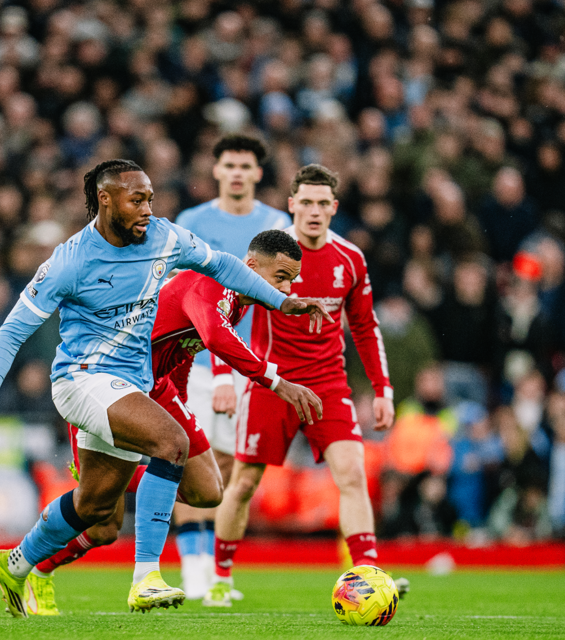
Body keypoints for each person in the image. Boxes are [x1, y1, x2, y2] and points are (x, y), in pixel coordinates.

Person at [0, 160, 330, 616]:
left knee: (96, 510)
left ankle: (16, 564)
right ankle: (146, 578)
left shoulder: (164, 237)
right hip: (82, 379)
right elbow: (11, 332)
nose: (147, 210)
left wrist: (283, 301)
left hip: (135, 384)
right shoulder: (69, 261)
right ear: (105, 199)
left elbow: (223, 265)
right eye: (137, 200)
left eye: (150, 199)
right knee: (170, 443)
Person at [22, 230, 324, 615]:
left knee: (210, 491)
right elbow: (215, 338)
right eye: (281, 277)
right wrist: (279, 382)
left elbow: (180, 352)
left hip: (156, 388)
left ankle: (132, 481)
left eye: (292, 280)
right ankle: (40, 569)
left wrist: (178, 404)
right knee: (102, 526)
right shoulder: (210, 280)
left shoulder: (240, 302)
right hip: (111, 384)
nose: (287, 287)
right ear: (250, 267)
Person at [207, 164, 401, 607]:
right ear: (292, 204)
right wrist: (223, 378)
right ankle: (220, 576)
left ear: (334, 207)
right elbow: (221, 315)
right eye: (306, 203)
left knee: (352, 473)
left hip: (328, 383)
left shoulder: (350, 258)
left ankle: (367, 573)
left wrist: (383, 389)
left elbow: (366, 328)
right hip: (270, 382)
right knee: (244, 482)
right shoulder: (267, 251)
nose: (314, 212)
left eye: (322, 204)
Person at [172, 135, 291, 598]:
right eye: (230, 165)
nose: (238, 172)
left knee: (227, 467)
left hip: (252, 360)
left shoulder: (278, 224)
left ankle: (214, 570)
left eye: (246, 165)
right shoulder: (192, 222)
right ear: (217, 170)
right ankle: (194, 569)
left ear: (258, 174)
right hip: (196, 358)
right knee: (188, 458)